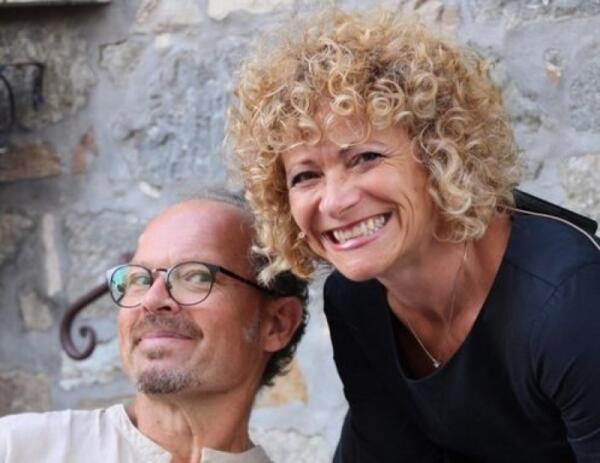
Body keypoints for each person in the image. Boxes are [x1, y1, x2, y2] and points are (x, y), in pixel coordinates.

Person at [227, 8, 600, 463]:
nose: (335, 202)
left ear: (438, 153)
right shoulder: (356, 300)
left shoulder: (569, 301)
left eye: (365, 157)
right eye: (306, 176)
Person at [0, 194, 308, 463]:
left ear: (276, 324)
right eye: (138, 279)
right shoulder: (16, 450)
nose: (151, 300)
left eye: (196, 276)